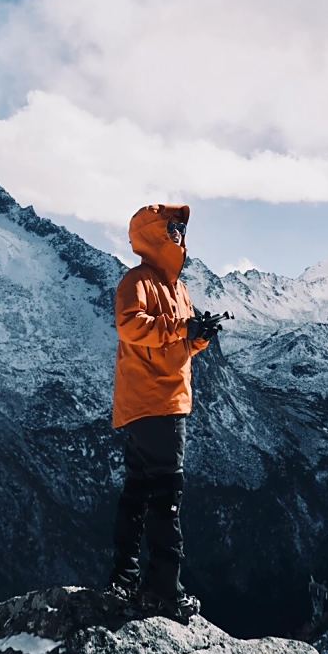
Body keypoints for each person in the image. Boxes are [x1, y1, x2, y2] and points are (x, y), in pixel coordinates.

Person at [107, 203, 219, 622]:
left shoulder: (179, 288)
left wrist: (198, 338)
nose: (178, 234)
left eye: (180, 228)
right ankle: (164, 592)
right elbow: (131, 325)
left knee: (138, 492)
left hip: (158, 401)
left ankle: (126, 579)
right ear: (152, 233)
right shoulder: (137, 282)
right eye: (171, 227)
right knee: (166, 497)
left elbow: (177, 345)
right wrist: (181, 329)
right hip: (156, 402)